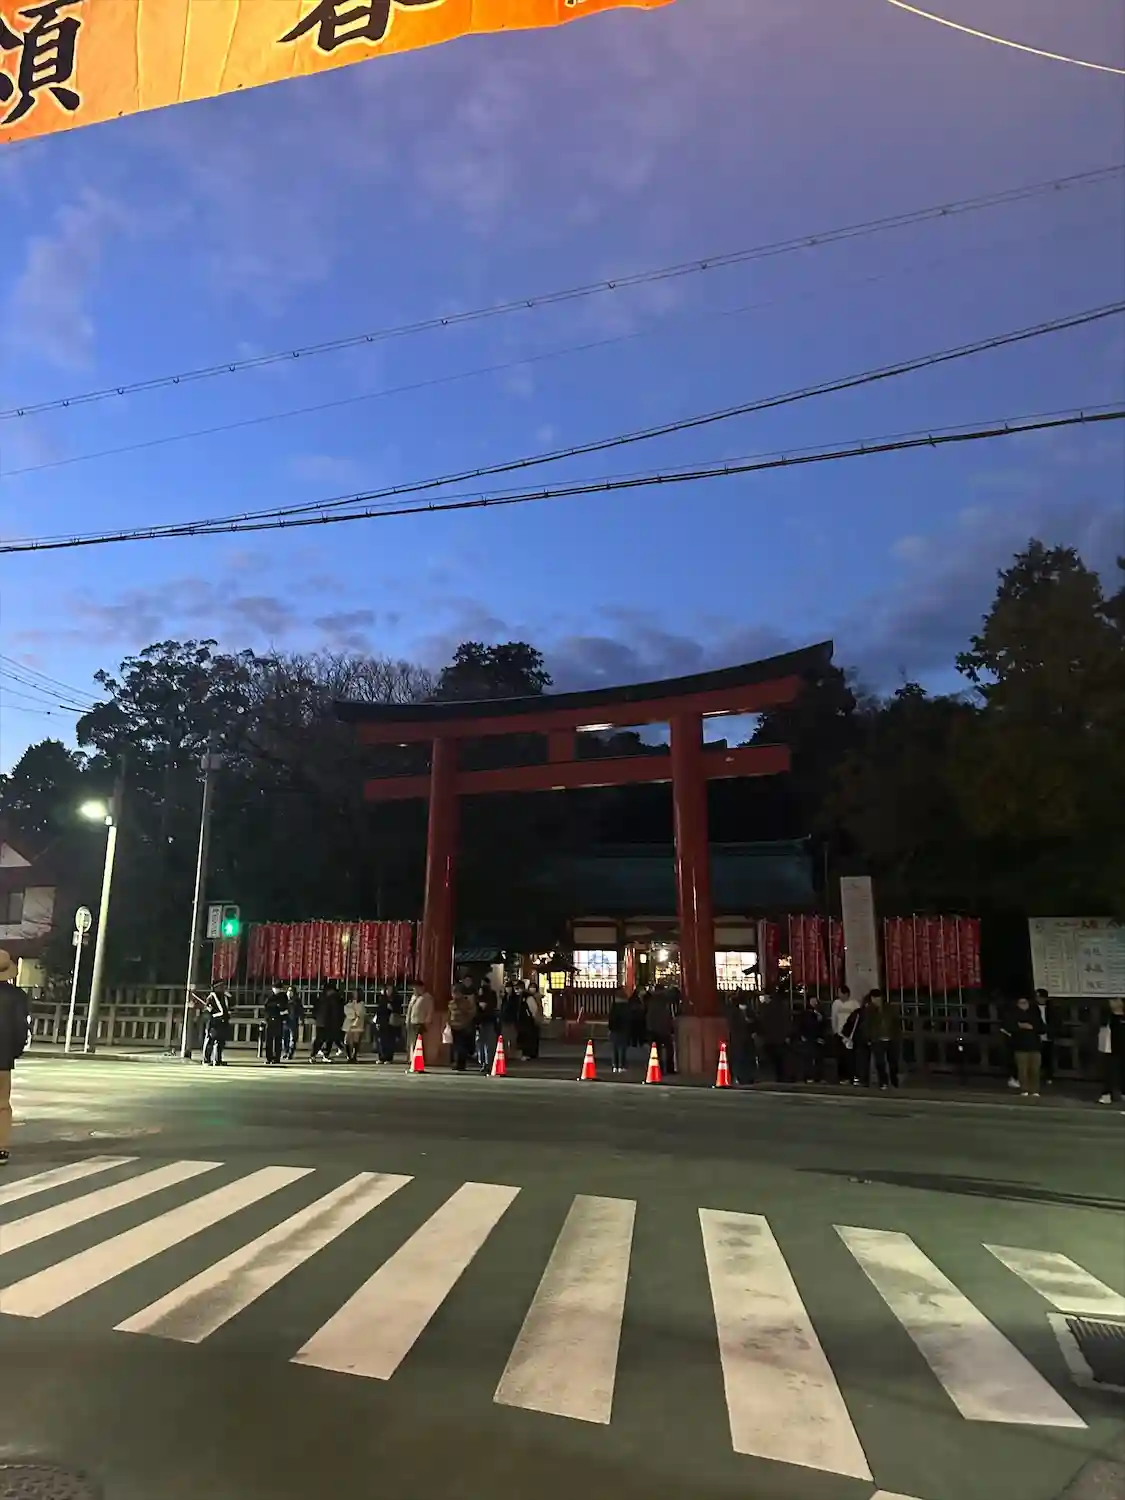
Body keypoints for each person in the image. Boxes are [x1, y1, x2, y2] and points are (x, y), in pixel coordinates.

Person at [0, 951, 30, 1165]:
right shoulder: (17, 996)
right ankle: (1, 1149)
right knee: (2, 1104)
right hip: (2, 1057)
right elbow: (21, 1027)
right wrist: (15, 1051)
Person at [858, 988, 900, 1089]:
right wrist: (868, 1038)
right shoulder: (869, 1010)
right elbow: (866, 1026)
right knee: (880, 1062)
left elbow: (895, 1024)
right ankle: (883, 1082)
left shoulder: (889, 1008)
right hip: (876, 1039)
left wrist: (897, 1036)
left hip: (890, 1038)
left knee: (893, 1061)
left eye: (878, 998)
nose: (876, 1001)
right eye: (874, 999)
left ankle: (894, 1081)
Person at [1005, 995, 1045, 1097]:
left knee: (1035, 1070)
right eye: (1021, 1003)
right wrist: (1020, 1026)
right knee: (1022, 1069)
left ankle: (1035, 1090)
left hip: (1034, 1045)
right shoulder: (1013, 1014)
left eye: (1025, 1003)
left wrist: (1031, 1027)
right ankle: (1024, 1089)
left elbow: (1042, 1028)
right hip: (1020, 1046)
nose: (1024, 1005)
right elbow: (1009, 1026)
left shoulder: (1034, 1014)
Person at [754, 991, 791, 1083]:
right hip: (780, 1038)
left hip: (770, 1038)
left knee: (772, 1059)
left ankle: (774, 1077)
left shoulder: (766, 1008)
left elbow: (762, 1022)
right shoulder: (781, 1007)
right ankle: (782, 1077)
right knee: (780, 1060)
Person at [1096, 997, 1125, 1105]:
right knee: (1109, 1073)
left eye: (1115, 1000)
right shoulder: (1108, 1018)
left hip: (1122, 1049)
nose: (1112, 1003)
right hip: (1110, 1049)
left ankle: (1123, 1093)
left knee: (1122, 1072)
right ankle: (1107, 1094)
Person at [830, 984, 860, 1085]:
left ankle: (852, 1076)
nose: (838, 994)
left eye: (840, 992)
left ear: (846, 994)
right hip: (839, 1034)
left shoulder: (854, 1004)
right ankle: (842, 1077)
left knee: (851, 1057)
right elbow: (834, 1018)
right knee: (841, 1057)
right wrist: (835, 1031)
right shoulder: (836, 1004)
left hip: (851, 1035)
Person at [795, 993, 828, 1083]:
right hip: (808, 1038)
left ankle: (819, 1077)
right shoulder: (805, 1013)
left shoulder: (820, 1013)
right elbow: (800, 1025)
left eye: (815, 1001)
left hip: (818, 1038)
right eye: (812, 1001)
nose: (814, 1003)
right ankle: (808, 1076)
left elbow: (824, 1027)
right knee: (808, 1058)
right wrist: (802, 1035)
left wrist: (822, 1037)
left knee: (819, 1058)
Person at [645, 985, 675, 1075]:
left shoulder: (652, 1001)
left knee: (657, 1051)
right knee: (669, 1049)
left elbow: (649, 1016)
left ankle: (659, 1068)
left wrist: (649, 1028)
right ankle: (669, 1068)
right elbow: (668, 1016)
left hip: (655, 1029)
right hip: (664, 1029)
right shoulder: (665, 1001)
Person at [448, 982, 477, 1072]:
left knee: (461, 1046)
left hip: (463, 1027)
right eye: (453, 993)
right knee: (456, 1046)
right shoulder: (451, 1003)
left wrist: (466, 1021)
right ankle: (457, 1062)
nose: (454, 995)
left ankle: (461, 1063)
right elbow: (449, 1014)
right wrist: (449, 1023)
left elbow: (472, 1013)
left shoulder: (466, 1003)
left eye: (456, 993)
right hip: (454, 1027)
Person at [311, 980, 343, 1062]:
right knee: (328, 1040)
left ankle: (313, 1055)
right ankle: (325, 1055)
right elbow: (337, 1012)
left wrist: (316, 1018)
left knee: (319, 1040)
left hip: (321, 1022)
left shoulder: (320, 998)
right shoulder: (335, 999)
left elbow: (314, 1010)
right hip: (330, 1023)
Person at [726, 993, 755, 1085]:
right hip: (738, 1040)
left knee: (746, 1059)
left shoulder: (749, 1012)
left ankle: (747, 1077)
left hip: (746, 1039)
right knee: (739, 1059)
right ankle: (740, 1077)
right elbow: (733, 1026)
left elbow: (755, 1022)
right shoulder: (734, 1013)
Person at [1035, 987, 1061, 1086]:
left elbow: (1056, 1022)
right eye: (1037, 997)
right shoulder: (1033, 1008)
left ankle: (1048, 1076)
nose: (1039, 999)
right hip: (1036, 1036)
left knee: (1048, 1057)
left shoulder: (1051, 1009)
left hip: (1048, 1036)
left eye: (1040, 997)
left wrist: (1051, 1030)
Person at [201, 980, 232, 1067]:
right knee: (210, 1040)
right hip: (213, 1022)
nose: (223, 987)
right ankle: (206, 1060)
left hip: (223, 1021)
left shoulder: (224, 996)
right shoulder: (211, 997)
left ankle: (217, 1060)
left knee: (220, 1041)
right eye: (220, 986)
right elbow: (208, 1011)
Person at [405, 980, 433, 1069]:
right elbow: (409, 1010)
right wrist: (407, 1020)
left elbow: (430, 1011)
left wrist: (427, 1022)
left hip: (420, 1022)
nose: (415, 990)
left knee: (419, 1043)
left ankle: (419, 1060)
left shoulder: (427, 997)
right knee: (412, 1042)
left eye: (417, 988)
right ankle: (412, 1059)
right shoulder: (414, 997)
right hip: (412, 1022)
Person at [475, 980, 499, 1073]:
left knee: (483, 1043)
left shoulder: (486, 996)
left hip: (484, 1021)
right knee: (485, 1044)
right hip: (485, 1021)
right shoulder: (490, 995)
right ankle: (486, 1063)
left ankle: (485, 1063)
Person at [608, 990, 632, 1073]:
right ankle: (622, 1065)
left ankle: (615, 1065)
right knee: (622, 1049)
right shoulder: (627, 1007)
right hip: (624, 1030)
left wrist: (610, 1028)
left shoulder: (614, 1006)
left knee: (615, 1048)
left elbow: (611, 1019)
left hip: (614, 1029)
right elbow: (629, 1019)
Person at [262, 983, 286, 1066]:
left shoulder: (283, 997)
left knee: (278, 1040)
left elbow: (284, 1008)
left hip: (279, 1020)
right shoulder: (269, 997)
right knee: (269, 1040)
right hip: (270, 1020)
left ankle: (276, 1058)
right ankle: (269, 1058)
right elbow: (266, 1007)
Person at [516, 982, 541, 1060]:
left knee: (528, 1038)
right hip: (524, 1020)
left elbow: (534, 1009)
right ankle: (528, 1053)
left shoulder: (528, 997)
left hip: (528, 1020)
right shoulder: (521, 997)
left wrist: (533, 1017)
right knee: (526, 1038)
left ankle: (528, 1053)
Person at [373, 986, 397, 1064]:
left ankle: (388, 1058)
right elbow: (378, 1012)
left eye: (390, 990)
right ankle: (381, 1057)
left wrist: (391, 1007)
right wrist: (377, 1022)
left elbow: (398, 1010)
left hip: (391, 1023)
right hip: (382, 1022)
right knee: (381, 1041)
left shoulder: (395, 999)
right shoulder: (382, 1000)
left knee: (389, 1041)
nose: (388, 991)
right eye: (387, 989)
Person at [343, 992, 366, 1063]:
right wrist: (353, 1013)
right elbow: (346, 1010)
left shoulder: (361, 1003)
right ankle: (349, 1056)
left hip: (357, 1022)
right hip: (349, 1023)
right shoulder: (349, 1003)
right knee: (347, 1040)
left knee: (356, 1040)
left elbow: (361, 1012)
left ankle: (354, 1056)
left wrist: (355, 1014)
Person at [284, 984, 305, 1060]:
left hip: (293, 1021)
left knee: (292, 1038)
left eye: (291, 991)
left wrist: (301, 1020)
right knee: (285, 1038)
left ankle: (290, 1053)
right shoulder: (284, 1000)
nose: (289, 992)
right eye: (288, 991)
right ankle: (286, 1052)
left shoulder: (297, 1001)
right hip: (285, 1021)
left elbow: (301, 1011)